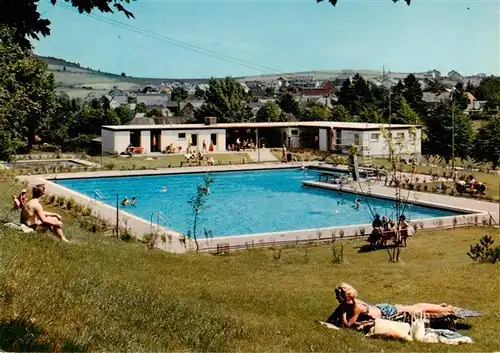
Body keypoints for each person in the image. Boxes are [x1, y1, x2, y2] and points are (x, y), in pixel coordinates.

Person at [327, 283, 456, 328]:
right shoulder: (349, 303)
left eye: (338, 296)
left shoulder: (356, 306)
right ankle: (441, 306)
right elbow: (331, 319)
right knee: (413, 306)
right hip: (379, 307)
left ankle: (446, 309)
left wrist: (343, 311)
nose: (336, 298)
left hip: (386, 311)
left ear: (346, 297)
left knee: (415, 309)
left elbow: (346, 326)